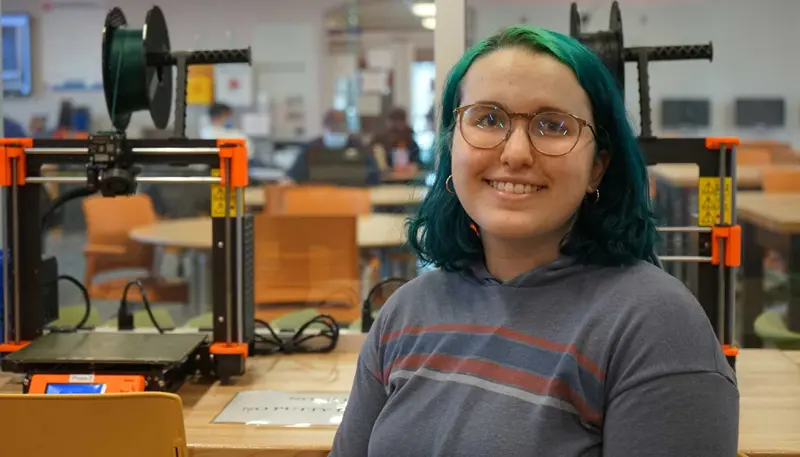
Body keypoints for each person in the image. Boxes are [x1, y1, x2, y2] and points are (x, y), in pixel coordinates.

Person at [330, 26, 738, 456]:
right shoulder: (406, 312)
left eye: (552, 126)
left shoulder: (655, 327)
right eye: (487, 119)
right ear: (452, 147)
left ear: (598, 167)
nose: (516, 153)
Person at [286, 109, 380, 185]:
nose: (337, 132)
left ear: (348, 128)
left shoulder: (359, 148)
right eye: (333, 128)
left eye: (341, 129)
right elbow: (295, 177)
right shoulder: (310, 149)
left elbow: (374, 176)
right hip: (317, 200)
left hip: (351, 199)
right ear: (324, 127)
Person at [371, 107, 422, 175]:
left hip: (408, 179)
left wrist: (414, 166)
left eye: (400, 120)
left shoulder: (411, 143)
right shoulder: (383, 141)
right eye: (395, 121)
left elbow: (418, 163)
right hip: (388, 180)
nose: (398, 124)